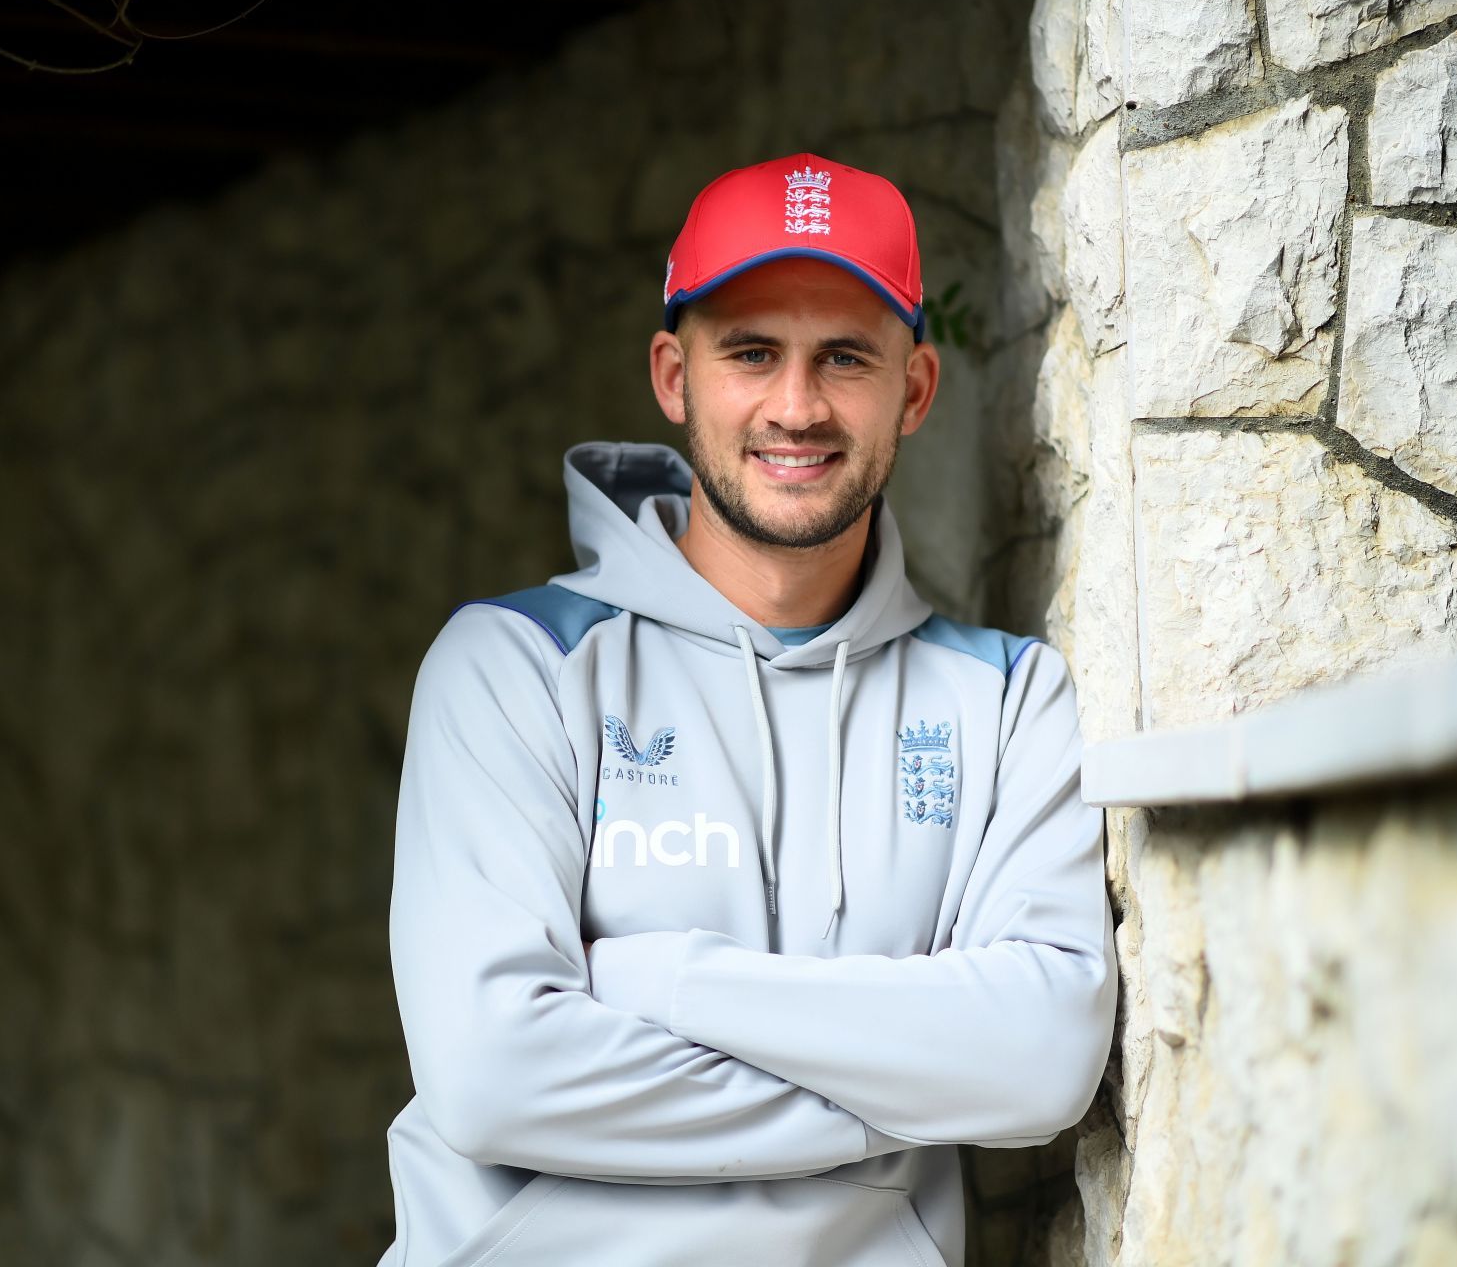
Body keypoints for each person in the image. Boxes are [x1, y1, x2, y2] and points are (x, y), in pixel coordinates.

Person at [377, 151, 1117, 1267]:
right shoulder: (515, 665)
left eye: (845, 357)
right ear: (676, 376)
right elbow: (490, 1075)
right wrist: (905, 1093)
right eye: (752, 352)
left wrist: (654, 977)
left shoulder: (1005, 701)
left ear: (913, 389)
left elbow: (1043, 1055)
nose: (796, 405)